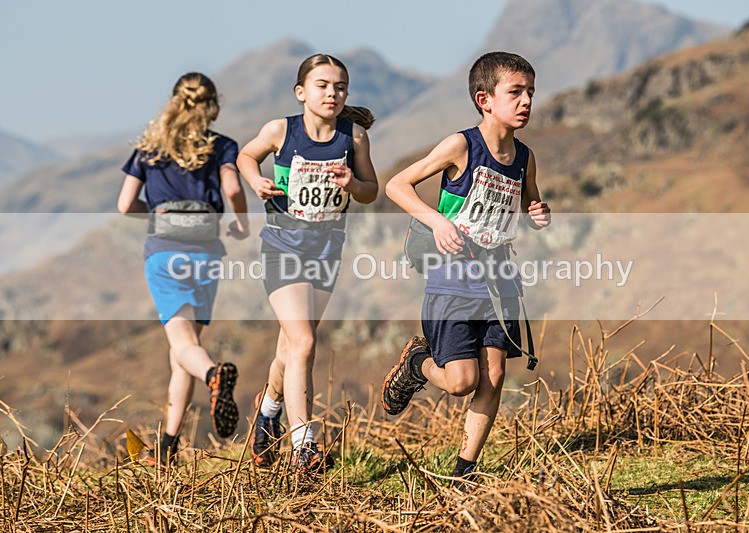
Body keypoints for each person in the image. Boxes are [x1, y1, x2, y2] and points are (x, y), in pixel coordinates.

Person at [380, 52, 551, 486]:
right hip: (453, 280)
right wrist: (437, 221)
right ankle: (418, 362)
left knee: (494, 375)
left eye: (530, 92)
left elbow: (529, 203)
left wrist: (538, 213)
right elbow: (397, 185)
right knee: (461, 381)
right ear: (484, 99)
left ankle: (464, 472)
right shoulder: (461, 146)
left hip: (499, 281)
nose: (526, 101)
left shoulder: (524, 157)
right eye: (515, 92)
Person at [237, 53, 378, 471]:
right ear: (301, 92)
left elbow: (372, 189)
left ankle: (268, 412)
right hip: (282, 248)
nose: (332, 93)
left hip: (326, 251)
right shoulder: (280, 131)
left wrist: (354, 183)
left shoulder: (354, 137)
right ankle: (304, 446)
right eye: (322, 85)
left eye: (340, 87)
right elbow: (246, 156)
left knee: (290, 347)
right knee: (304, 343)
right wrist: (256, 180)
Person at [117, 72, 250, 465]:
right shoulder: (222, 146)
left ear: (174, 103)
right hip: (206, 252)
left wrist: (157, 213)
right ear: (214, 108)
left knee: (185, 348)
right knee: (182, 350)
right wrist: (242, 224)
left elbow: (125, 205)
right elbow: (232, 189)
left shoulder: (149, 149)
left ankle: (212, 375)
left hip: (165, 253)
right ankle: (167, 446)